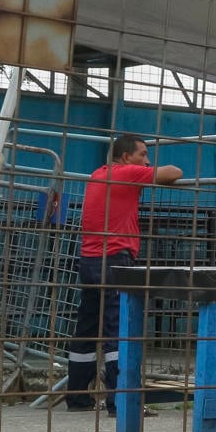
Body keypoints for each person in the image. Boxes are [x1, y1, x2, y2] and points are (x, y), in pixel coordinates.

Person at [66, 134, 181, 411]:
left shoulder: (98, 174)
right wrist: (148, 171)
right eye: (142, 154)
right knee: (118, 329)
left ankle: (78, 397)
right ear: (127, 156)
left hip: (90, 260)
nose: (147, 160)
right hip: (114, 260)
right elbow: (173, 173)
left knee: (87, 329)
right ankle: (121, 401)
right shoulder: (126, 173)